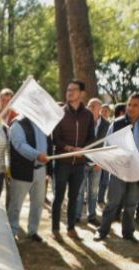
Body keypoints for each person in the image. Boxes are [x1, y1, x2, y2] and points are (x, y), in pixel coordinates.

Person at [94, 93, 139, 243]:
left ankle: (128, 233)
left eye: (135, 105)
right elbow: (107, 145)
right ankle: (102, 231)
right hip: (119, 170)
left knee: (131, 204)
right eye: (129, 104)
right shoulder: (116, 123)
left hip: (138, 171)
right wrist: (104, 163)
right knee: (112, 202)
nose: (131, 108)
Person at [51, 80, 95, 239]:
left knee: (74, 197)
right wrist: (70, 149)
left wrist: (84, 150)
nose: (69, 92)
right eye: (68, 90)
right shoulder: (60, 113)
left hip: (79, 165)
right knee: (59, 197)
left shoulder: (88, 114)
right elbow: (55, 139)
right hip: (62, 163)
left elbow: (92, 137)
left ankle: (71, 228)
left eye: (73, 90)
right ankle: (55, 229)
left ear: (81, 93)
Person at [7, 115, 50, 242]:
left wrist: (49, 170)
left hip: (41, 170)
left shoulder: (43, 124)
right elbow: (19, 145)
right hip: (22, 171)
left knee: (38, 203)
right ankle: (12, 231)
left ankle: (33, 231)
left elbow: (49, 145)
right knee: (16, 204)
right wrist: (36, 155)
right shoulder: (17, 125)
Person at [75, 97, 110, 226]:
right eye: (88, 106)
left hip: (97, 164)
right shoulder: (83, 122)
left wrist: (100, 162)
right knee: (79, 191)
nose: (89, 108)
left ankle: (92, 216)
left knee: (93, 192)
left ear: (99, 109)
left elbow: (107, 146)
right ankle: (77, 215)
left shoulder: (107, 125)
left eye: (91, 106)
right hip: (82, 162)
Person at [97, 103, 127, 206]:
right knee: (104, 181)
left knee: (106, 181)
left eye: (107, 111)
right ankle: (101, 199)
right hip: (108, 157)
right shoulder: (114, 125)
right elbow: (107, 142)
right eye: (103, 110)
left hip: (120, 160)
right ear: (122, 112)